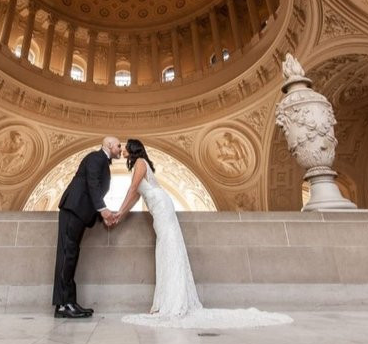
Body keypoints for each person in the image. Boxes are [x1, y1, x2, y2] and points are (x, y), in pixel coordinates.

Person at [115, 138, 293, 329]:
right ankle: (165, 302)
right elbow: (135, 196)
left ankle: (172, 303)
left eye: (124, 146)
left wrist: (118, 212)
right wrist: (120, 213)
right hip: (158, 208)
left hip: (161, 205)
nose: (122, 148)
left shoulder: (140, 163)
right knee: (165, 248)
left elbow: (133, 189)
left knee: (168, 246)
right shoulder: (138, 166)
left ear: (132, 149)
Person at [52, 136, 121, 318]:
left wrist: (101, 214)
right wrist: (103, 210)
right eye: (118, 145)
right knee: (67, 255)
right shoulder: (95, 157)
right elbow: (92, 183)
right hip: (74, 209)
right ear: (109, 145)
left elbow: (94, 188)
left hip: (79, 211)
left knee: (71, 255)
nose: (121, 149)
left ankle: (69, 302)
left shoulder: (102, 162)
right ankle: (63, 306)